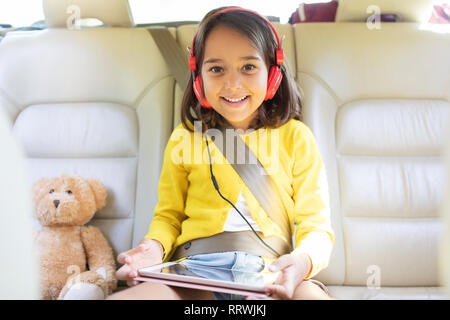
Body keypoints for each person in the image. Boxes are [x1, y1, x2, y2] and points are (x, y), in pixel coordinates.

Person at [108, 6, 334, 300]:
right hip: (194, 273)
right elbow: (168, 217)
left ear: (274, 75)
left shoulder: (296, 138)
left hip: (273, 271)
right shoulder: (184, 139)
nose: (232, 83)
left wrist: (302, 261)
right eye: (216, 69)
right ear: (198, 79)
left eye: (249, 67)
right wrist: (154, 247)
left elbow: (316, 226)